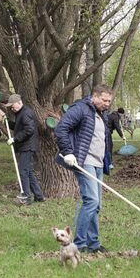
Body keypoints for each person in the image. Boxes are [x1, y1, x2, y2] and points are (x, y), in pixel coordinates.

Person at [54, 84, 114, 253]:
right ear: (94, 96)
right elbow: (61, 129)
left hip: (98, 164)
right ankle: (79, 244)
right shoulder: (80, 108)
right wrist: (68, 152)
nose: (107, 104)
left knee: (96, 205)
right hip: (84, 161)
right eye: (104, 100)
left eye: (109, 101)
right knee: (91, 201)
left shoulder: (101, 115)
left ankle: (93, 244)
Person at [5, 94, 44, 205]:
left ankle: (26, 196)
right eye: (11, 107)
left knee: (23, 171)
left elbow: (29, 130)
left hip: (27, 146)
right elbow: (19, 127)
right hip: (26, 146)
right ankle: (39, 196)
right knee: (29, 171)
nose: (12, 108)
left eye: (13, 106)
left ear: (19, 102)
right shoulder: (20, 113)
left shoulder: (26, 113)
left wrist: (15, 139)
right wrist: (8, 122)